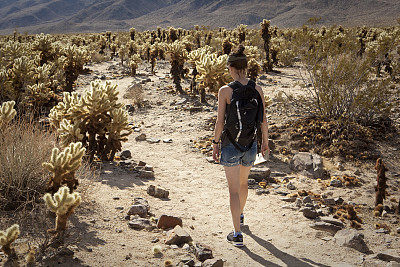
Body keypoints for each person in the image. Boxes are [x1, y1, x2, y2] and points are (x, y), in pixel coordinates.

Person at [212, 45, 270, 247]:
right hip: (250, 144)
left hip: (230, 145)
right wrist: (266, 143)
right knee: (244, 184)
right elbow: (263, 120)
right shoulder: (257, 89)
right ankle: (241, 215)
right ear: (245, 67)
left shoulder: (225, 91)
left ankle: (237, 234)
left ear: (230, 67)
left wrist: (215, 143)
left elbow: (220, 122)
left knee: (233, 190)